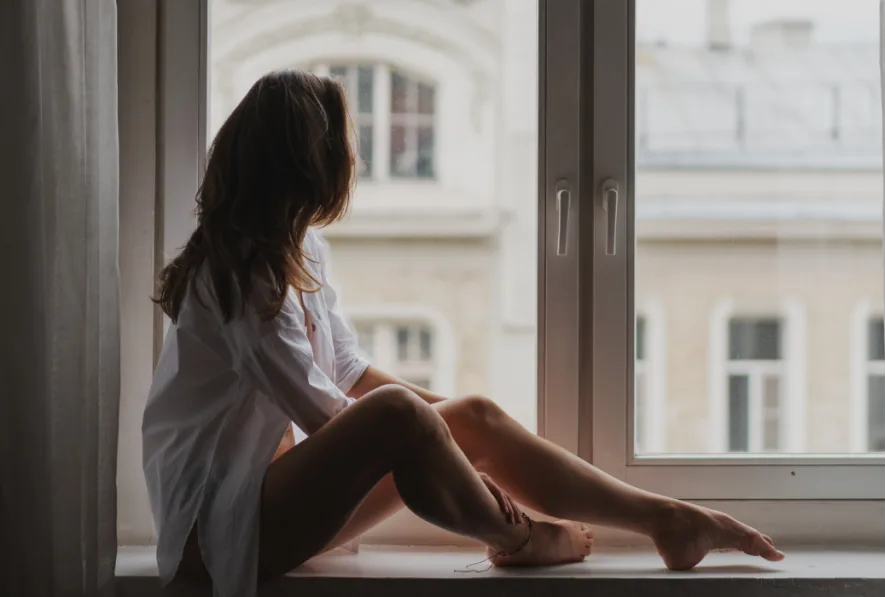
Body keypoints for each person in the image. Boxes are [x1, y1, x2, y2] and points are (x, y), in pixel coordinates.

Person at [142, 69, 785, 597]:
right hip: (217, 536)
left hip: (269, 509)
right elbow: (331, 414)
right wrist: (446, 451)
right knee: (406, 414)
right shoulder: (233, 277)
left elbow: (346, 372)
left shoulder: (300, 250)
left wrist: (465, 432)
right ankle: (522, 539)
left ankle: (668, 519)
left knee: (467, 412)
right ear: (307, 167)